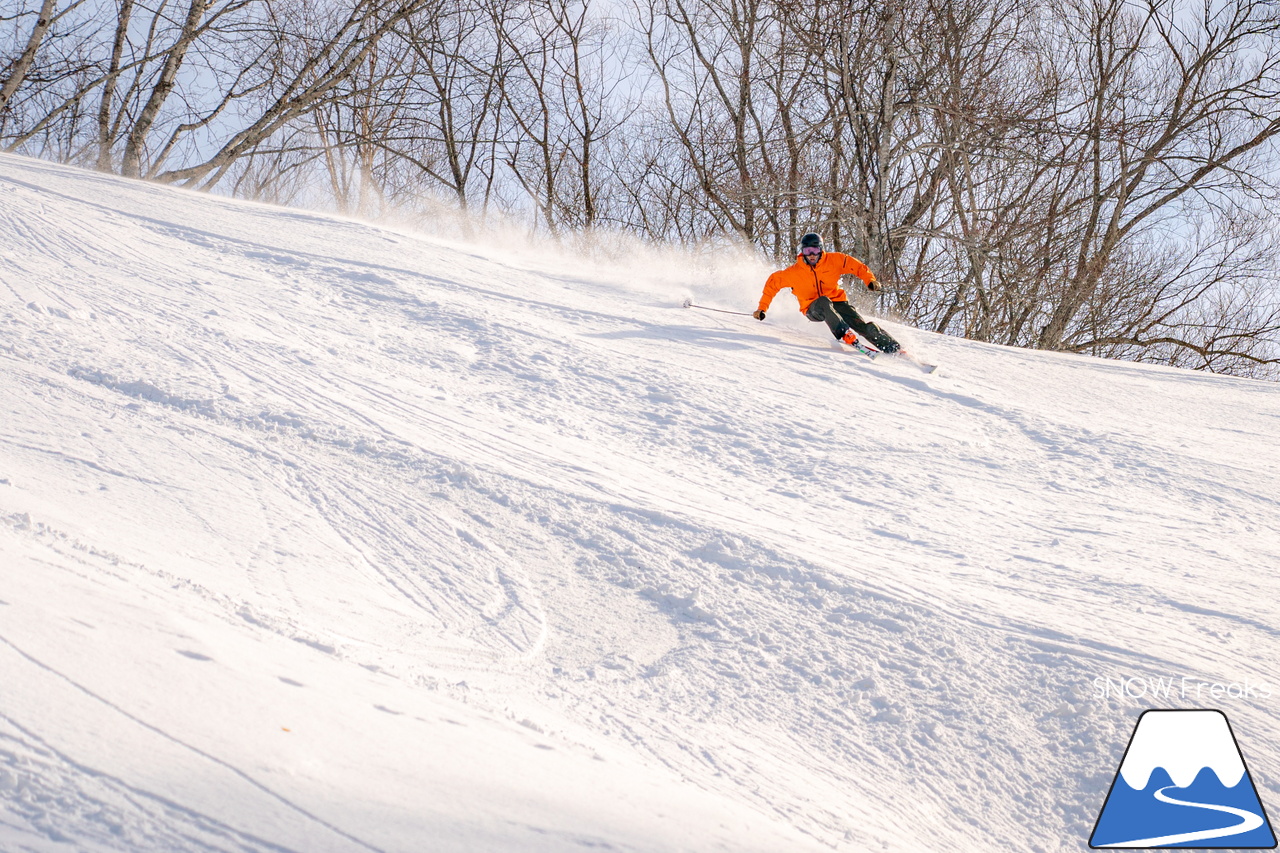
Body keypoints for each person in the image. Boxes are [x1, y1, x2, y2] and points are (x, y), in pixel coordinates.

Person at [752, 233, 901, 354]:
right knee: (823, 301)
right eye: (807, 251)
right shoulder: (793, 272)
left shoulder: (834, 260)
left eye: (815, 251)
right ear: (802, 252)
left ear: (821, 250)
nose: (811, 255)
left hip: (838, 302)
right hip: (813, 308)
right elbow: (772, 285)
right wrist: (762, 309)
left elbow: (857, 266)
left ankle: (892, 347)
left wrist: (870, 280)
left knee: (862, 325)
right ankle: (844, 335)